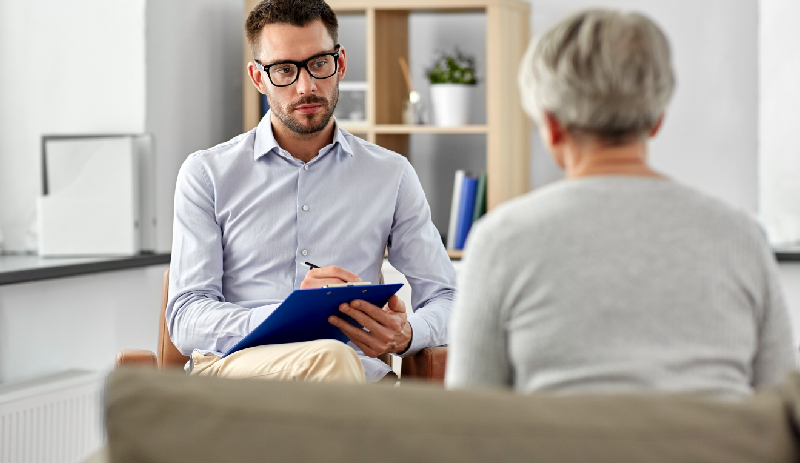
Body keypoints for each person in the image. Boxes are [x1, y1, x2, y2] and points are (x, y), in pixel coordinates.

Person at [445, 9, 797, 396]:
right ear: (657, 119)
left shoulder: (500, 240)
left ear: (552, 124)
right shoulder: (740, 236)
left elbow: (470, 423)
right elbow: (781, 410)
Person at [167, 0, 456, 384]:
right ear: (258, 78)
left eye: (319, 64)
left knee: (337, 362)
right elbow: (186, 317)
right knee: (330, 358)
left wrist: (407, 334)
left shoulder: (391, 174)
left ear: (341, 63)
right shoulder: (207, 174)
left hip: (358, 379)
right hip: (239, 377)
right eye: (285, 69)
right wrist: (292, 315)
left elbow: (448, 298)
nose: (307, 86)